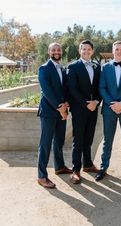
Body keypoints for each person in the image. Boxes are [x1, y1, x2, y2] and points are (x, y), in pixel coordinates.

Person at [95, 41, 121, 182]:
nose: (119, 51)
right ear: (113, 51)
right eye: (117, 49)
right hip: (109, 109)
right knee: (107, 140)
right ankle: (103, 167)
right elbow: (102, 88)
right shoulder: (105, 68)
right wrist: (112, 104)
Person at [37, 43, 72, 189]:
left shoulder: (63, 69)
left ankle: (59, 166)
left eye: (58, 50)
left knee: (59, 141)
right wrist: (60, 108)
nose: (56, 52)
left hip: (62, 110)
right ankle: (41, 176)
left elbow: (65, 89)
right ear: (49, 52)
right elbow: (47, 91)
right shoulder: (44, 68)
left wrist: (66, 105)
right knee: (45, 144)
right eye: (53, 50)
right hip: (49, 112)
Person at [67, 40, 101, 184]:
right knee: (78, 139)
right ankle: (76, 169)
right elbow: (72, 89)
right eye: (83, 49)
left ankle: (88, 164)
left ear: (92, 51)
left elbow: (100, 87)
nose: (86, 51)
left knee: (89, 137)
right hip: (80, 109)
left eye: (89, 49)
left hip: (93, 108)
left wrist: (96, 102)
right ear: (79, 50)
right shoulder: (73, 67)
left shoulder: (97, 66)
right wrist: (85, 104)